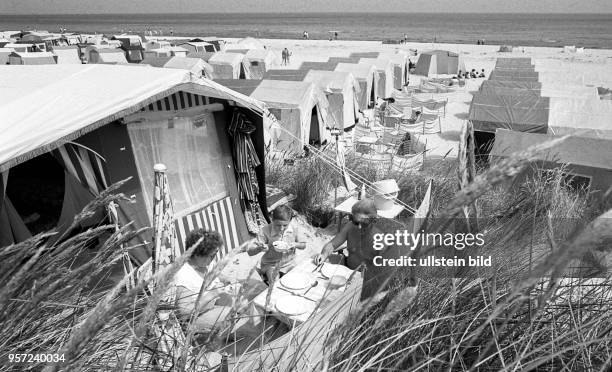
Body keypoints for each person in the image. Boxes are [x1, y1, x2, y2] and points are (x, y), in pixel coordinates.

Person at [315, 198, 395, 299]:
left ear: (373, 220)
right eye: (356, 222)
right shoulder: (350, 226)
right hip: (345, 270)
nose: (360, 227)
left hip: (362, 283)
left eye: (364, 223)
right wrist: (323, 254)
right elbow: (332, 244)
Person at [173, 229, 248, 335]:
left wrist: (229, 281)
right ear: (197, 255)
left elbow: (217, 275)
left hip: (212, 304)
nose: (214, 258)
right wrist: (213, 294)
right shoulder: (183, 275)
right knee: (230, 315)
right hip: (195, 318)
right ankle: (220, 339)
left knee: (242, 302)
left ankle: (229, 332)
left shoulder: (205, 263)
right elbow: (184, 313)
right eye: (212, 255)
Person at [246, 205, 306, 284]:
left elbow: (303, 245)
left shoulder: (294, 228)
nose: (281, 228)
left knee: (295, 281)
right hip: (270, 264)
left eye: (285, 225)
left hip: (289, 263)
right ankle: (265, 275)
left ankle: (267, 277)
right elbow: (250, 252)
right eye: (278, 225)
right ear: (272, 219)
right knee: (274, 282)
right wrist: (259, 248)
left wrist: (295, 244)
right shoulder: (265, 230)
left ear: (290, 220)